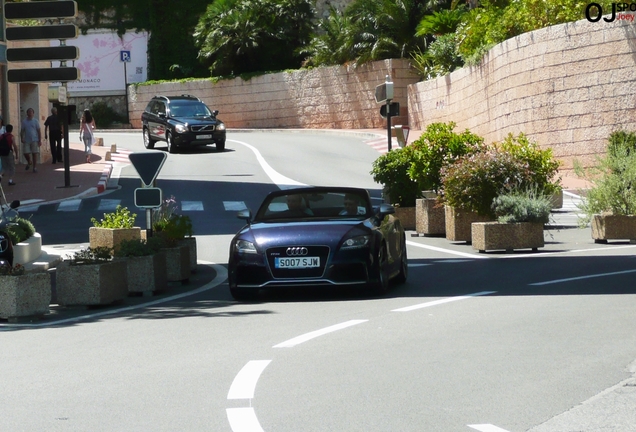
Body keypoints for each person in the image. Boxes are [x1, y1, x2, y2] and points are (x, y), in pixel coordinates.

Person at [20, 107, 41, 173]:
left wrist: (39, 140)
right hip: (27, 139)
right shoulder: (24, 122)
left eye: (31, 112)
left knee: (34, 153)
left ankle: (34, 167)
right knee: (26, 153)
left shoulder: (36, 121)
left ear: (33, 113)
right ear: (27, 113)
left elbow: (39, 131)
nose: (30, 113)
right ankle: (29, 161)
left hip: (34, 139)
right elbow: (22, 131)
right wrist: (22, 138)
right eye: (29, 112)